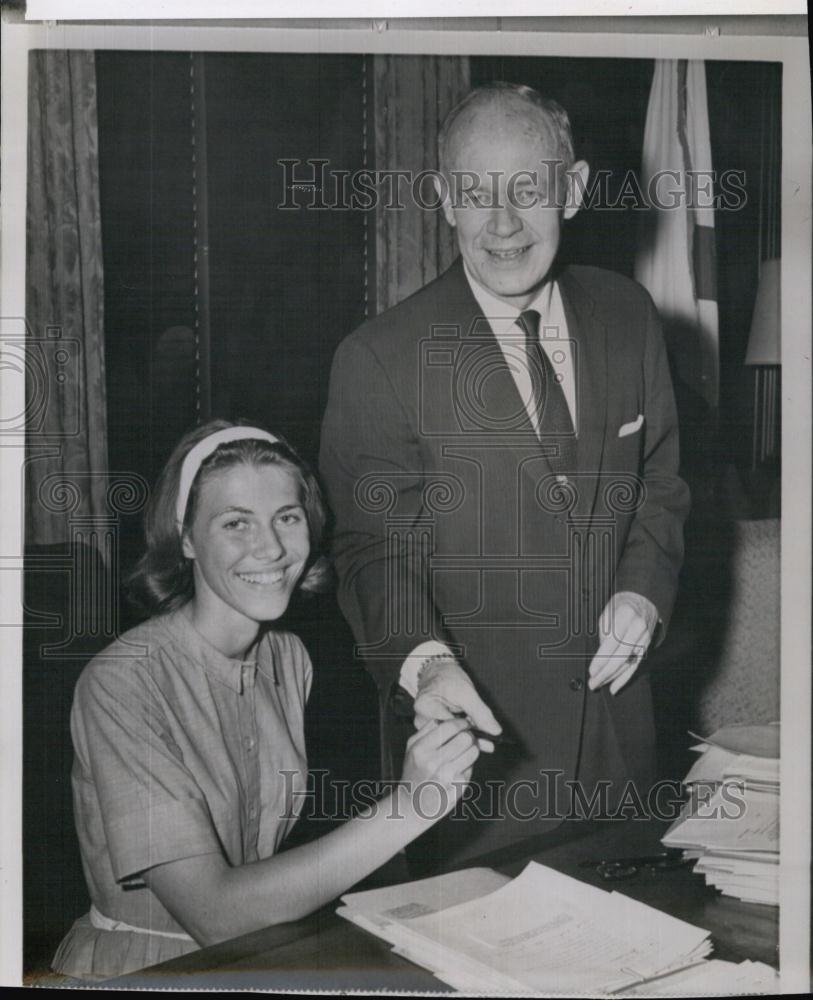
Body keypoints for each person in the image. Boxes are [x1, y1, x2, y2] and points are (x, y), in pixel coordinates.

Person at [319, 82, 691, 870]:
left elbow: (659, 482)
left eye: (527, 189)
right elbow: (371, 553)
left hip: (624, 761)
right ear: (442, 198)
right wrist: (426, 663)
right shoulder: (378, 359)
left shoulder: (627, 315)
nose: (501, 222)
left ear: (574, 189)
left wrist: (641, 588)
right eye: (475, 192)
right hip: (479, 779)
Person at [51, 420, 482, 982]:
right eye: (236, 523)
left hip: (255, 960)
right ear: (184, 538)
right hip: (150, 971)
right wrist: (410, 805)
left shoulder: (288, 658)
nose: (272, 548)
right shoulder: (122, 683)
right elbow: (217, 916)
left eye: (287, 517)